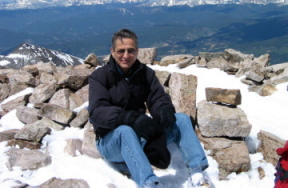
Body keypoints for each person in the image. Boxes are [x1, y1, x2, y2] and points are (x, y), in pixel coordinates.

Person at [88, 29, 213, 188]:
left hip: (139, 133)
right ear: (112, 52)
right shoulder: (100, 77)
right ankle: (149, 183)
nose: (126, 55)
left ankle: (197, 174)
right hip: (110, 141)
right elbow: (97, 112)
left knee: (181, 119)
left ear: (137, 51)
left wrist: (164, 109)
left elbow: (158, 97)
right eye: (121, 51)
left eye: (130, 50)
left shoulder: (145, 73)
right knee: (125, 131)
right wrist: (129, 118)